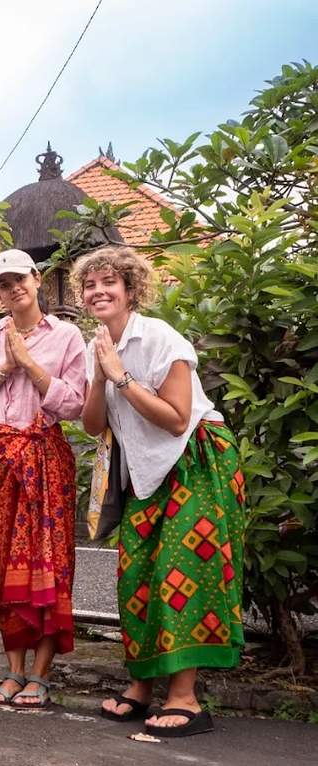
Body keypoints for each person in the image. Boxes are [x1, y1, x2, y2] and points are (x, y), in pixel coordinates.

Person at [78, 246, 245, 737]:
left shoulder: (158, 337)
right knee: (138, 576)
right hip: (147, 474)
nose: (98, 291)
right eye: (90, 285)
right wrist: (98, 374)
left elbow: (175, 421)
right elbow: (92, 426)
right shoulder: (103, 345)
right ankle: (141, 687)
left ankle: (186, 698)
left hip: (198, 462)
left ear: (131, 290)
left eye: (110, 282)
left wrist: (121, 377)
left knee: (182, 570)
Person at [0, 249, 86, 709]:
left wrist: (30, 366)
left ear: (37, 279)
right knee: (5, 564)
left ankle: (41, 674)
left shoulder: (68, 336)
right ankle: (13, 671)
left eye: (20, 279)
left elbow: (74, 404)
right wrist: (5, 366)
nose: (14, 289)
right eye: (3, 284)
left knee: (49, 561)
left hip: (44, 455)